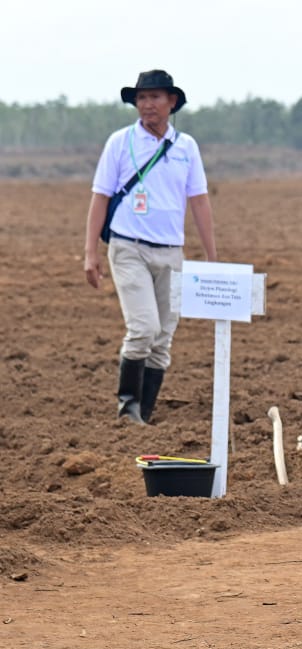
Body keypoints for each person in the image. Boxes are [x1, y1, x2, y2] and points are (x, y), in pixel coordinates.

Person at [84, 69, 217, 425]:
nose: (147, 105)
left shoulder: (187, 147)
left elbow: (200, 202)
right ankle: (128, 410)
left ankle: (144, 412)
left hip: (172, 253)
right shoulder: (119, 142)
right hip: (129, 248)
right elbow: (100, 197)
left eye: (155, 97)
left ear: (172, 102)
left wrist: (211, 255)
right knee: (143, 328)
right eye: (142, 98)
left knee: (163, 338)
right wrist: (90, 253)